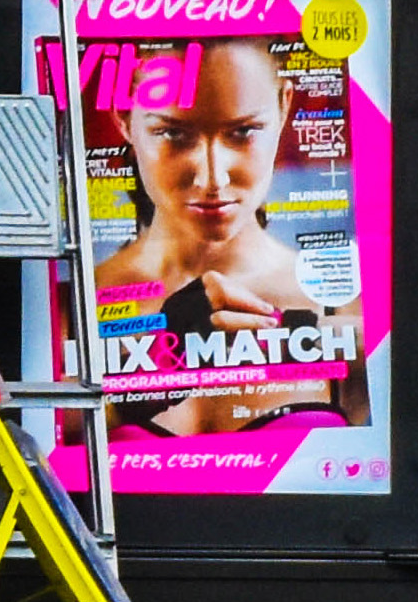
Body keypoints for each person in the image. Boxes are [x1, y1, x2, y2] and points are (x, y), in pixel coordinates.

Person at [92, 34, 368, 434]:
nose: (212, 177)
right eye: (172, 133)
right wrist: (158, 362)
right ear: (123, 119)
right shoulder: (70, 315)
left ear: (284, 106)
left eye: (243, 132)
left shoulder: (348, 310)